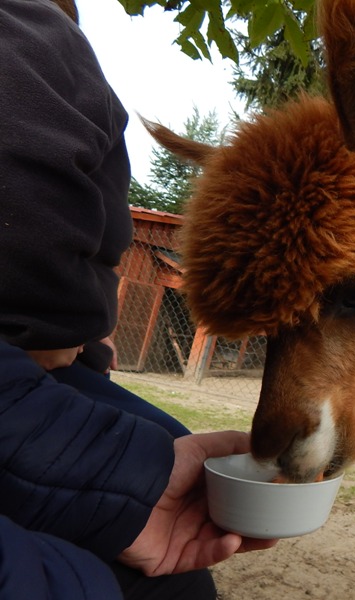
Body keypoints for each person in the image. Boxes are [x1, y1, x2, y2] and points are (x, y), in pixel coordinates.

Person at [0, 1, 275, 598]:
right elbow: (71, 223)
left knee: (164, 464)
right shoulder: (44, 32)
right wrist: (60, 328)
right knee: (173, 567)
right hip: (41, 351)